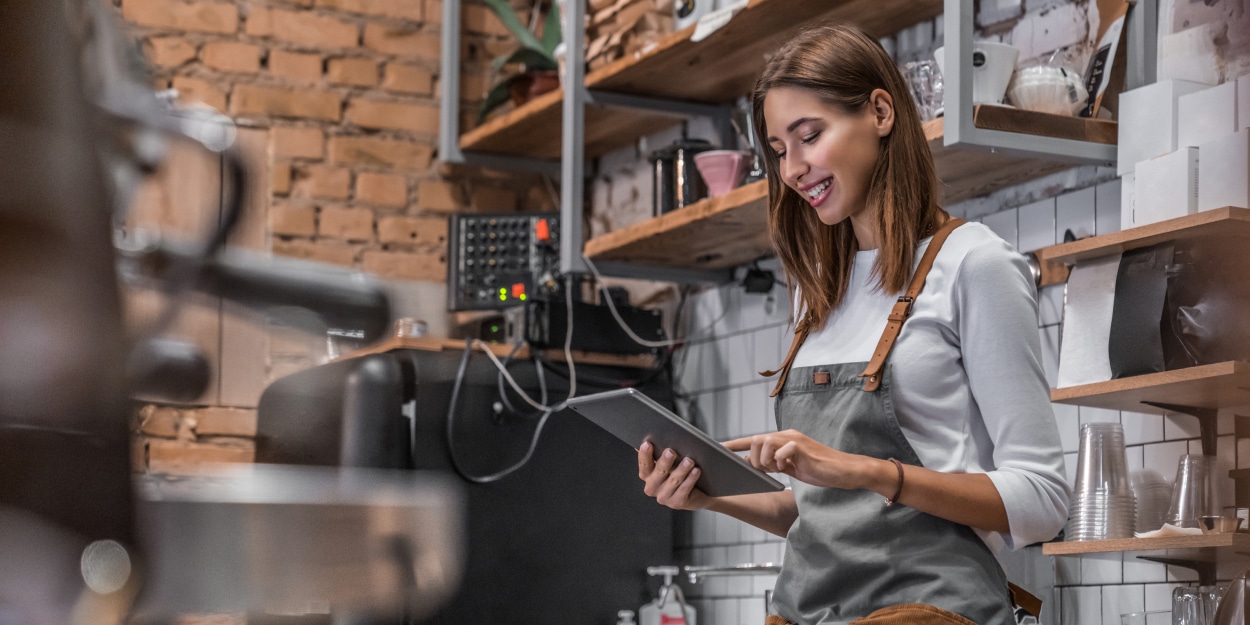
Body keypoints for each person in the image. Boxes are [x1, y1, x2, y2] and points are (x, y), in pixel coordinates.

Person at [636, 23, 1069, 625]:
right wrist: (713, 495)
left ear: (881, 112)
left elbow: (1044, 500)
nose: (792, 169)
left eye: (809, 136)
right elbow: (821, 516)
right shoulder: (816, 290)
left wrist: (869, 472)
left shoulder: (974, 263)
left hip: (928, 611)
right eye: (779, 151)